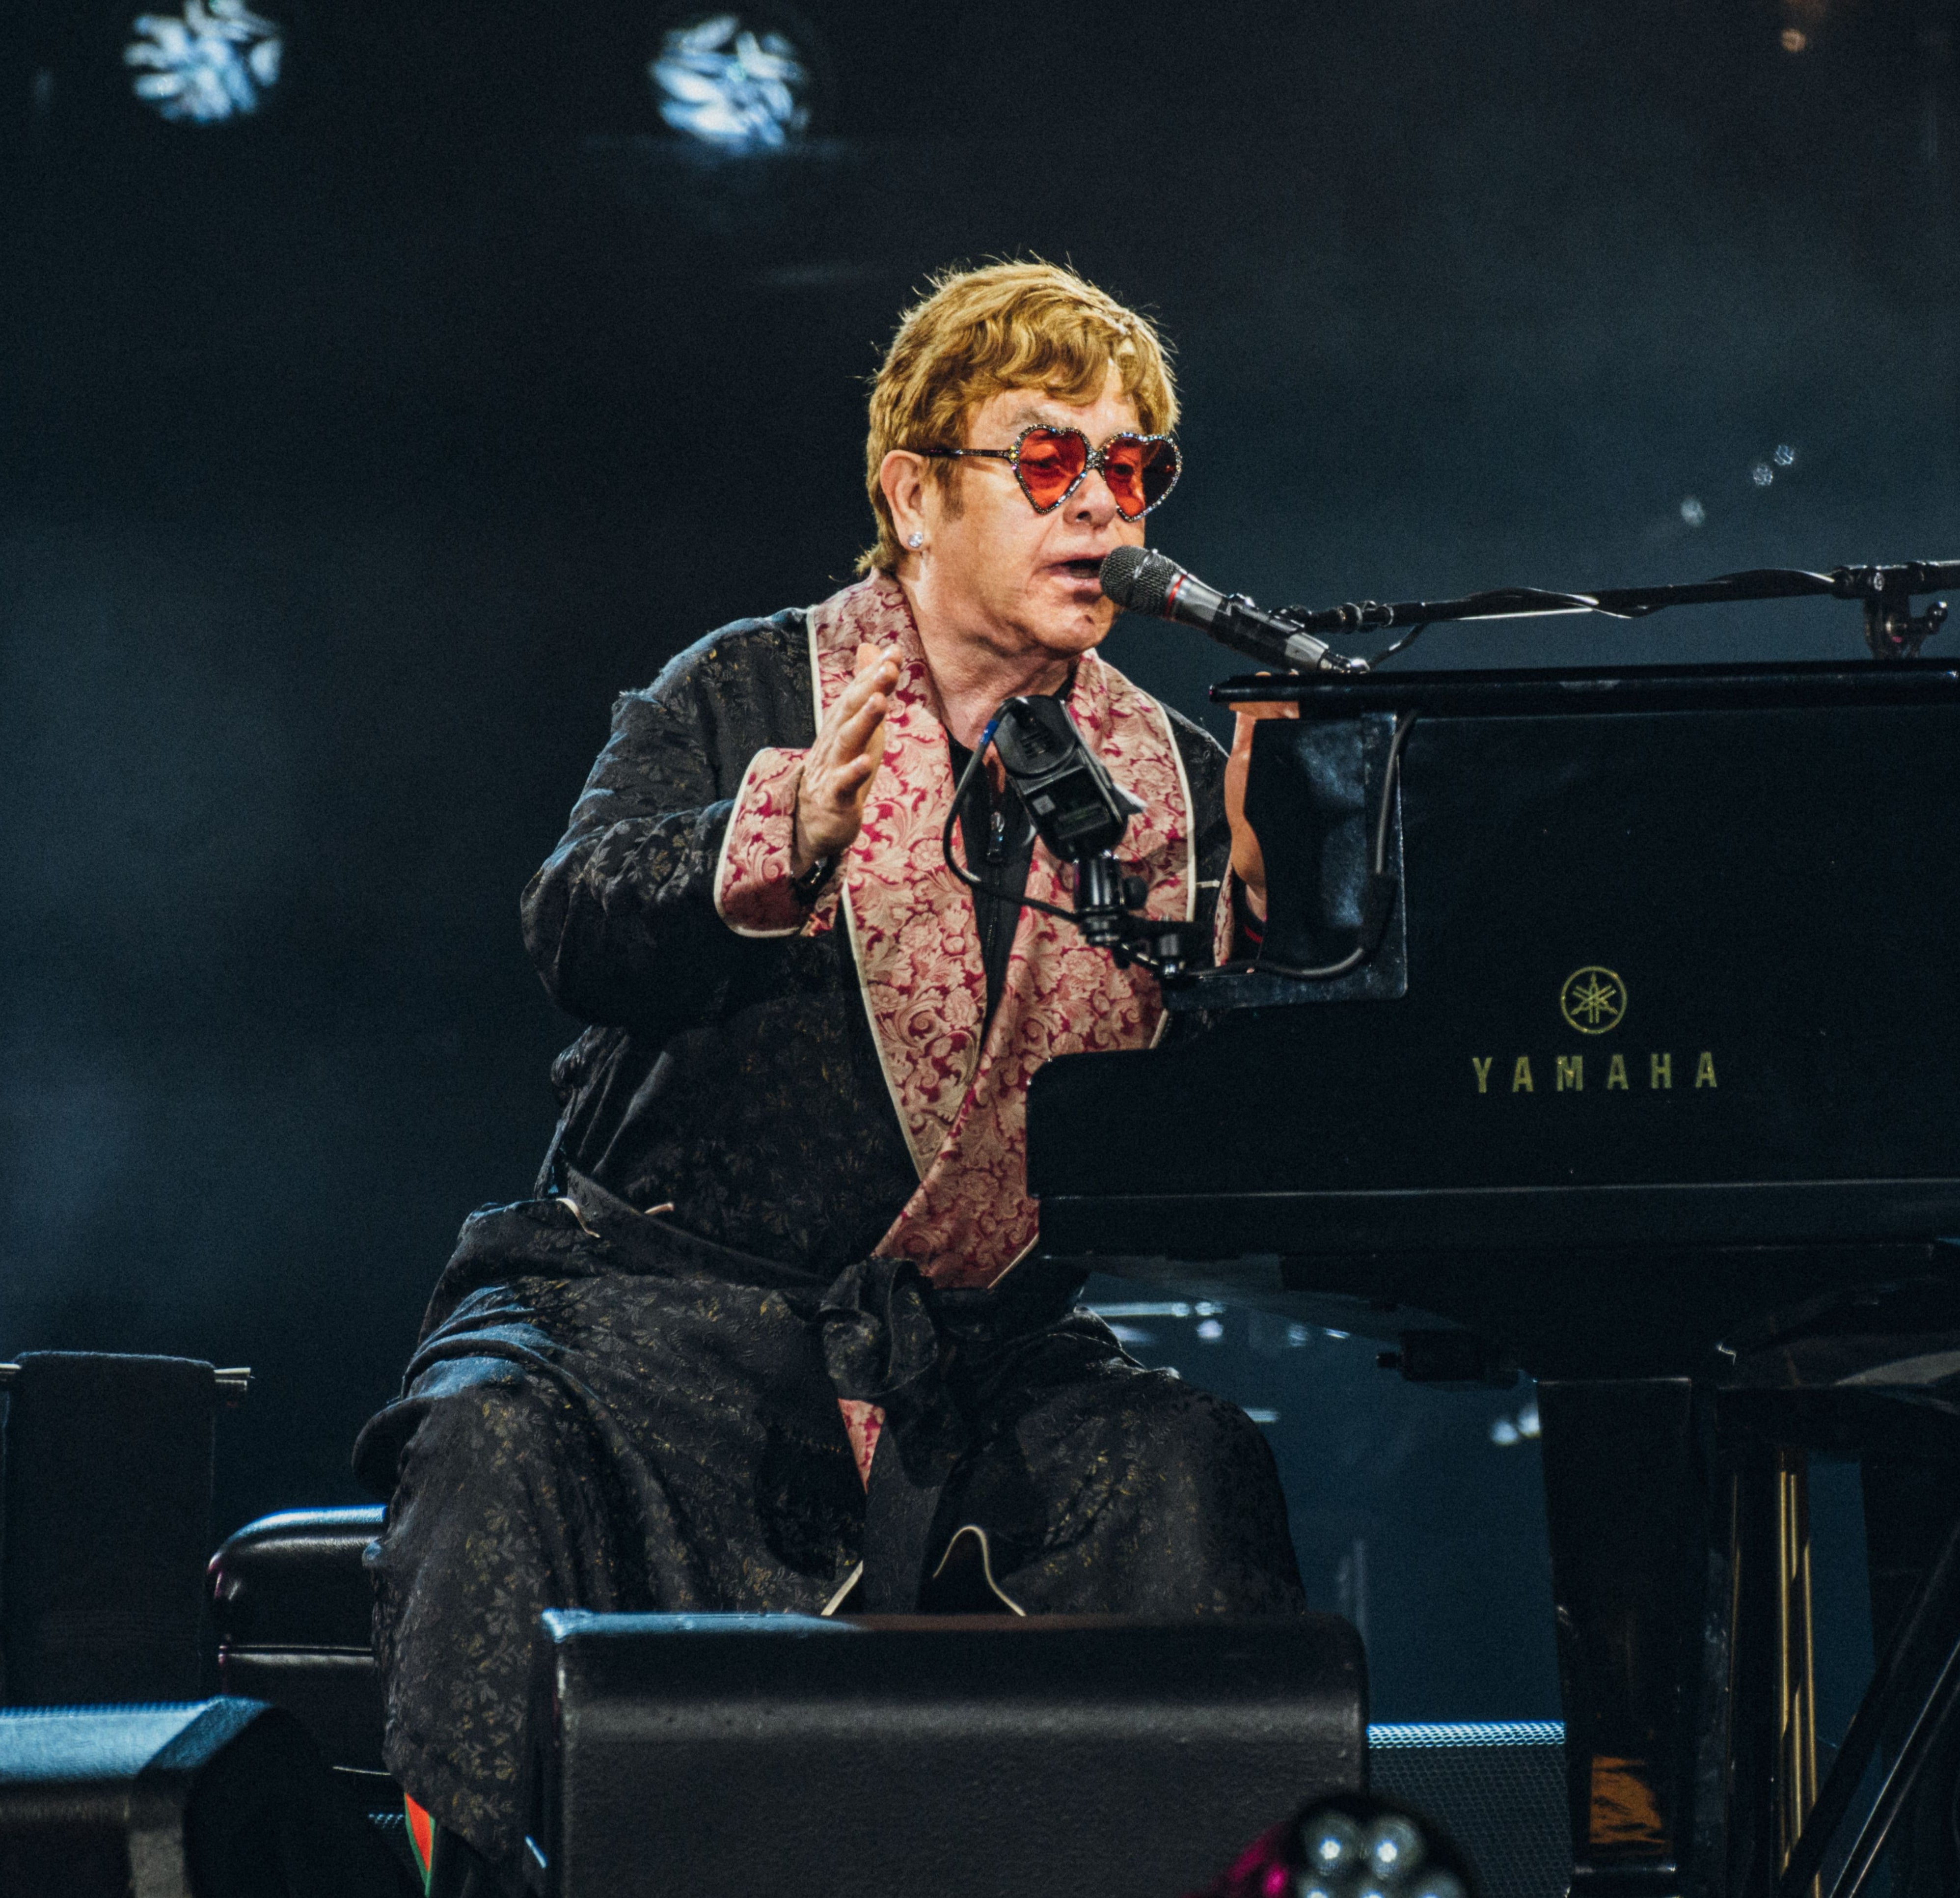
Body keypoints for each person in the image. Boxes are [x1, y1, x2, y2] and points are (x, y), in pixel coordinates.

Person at [354, 261, 1305, 1897]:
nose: (1104, 501)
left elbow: (1181, 1141)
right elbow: (571, 923)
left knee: (1187, 1461)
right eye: (1051, 456)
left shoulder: (1171, 773)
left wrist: (1262, 964)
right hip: (654, 1327)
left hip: (978, 1358)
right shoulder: (740, 689)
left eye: (1129, 464)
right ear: (915, 491)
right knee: (492, 1441)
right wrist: (779, 835)